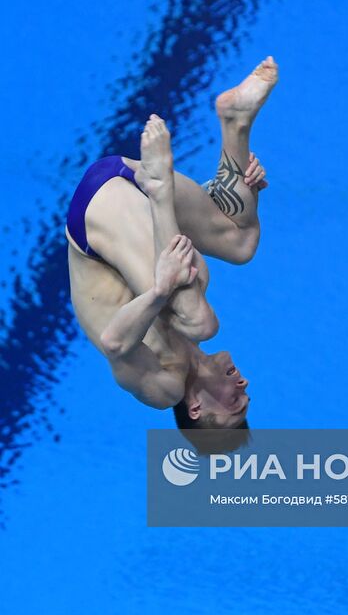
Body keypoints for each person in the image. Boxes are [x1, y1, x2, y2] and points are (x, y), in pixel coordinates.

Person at [65, 56, 278, 432]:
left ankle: (159, 186)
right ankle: (235, 120)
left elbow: (115, 344)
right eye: (247, 396)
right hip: (130, 185)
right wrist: (236, 186)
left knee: (199, 320)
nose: (243, 386)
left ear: (195, 409)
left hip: (97, 211)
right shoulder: (189, 327)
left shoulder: (164, 389)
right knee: (241, 241)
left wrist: (160, 291)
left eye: (234, 404)